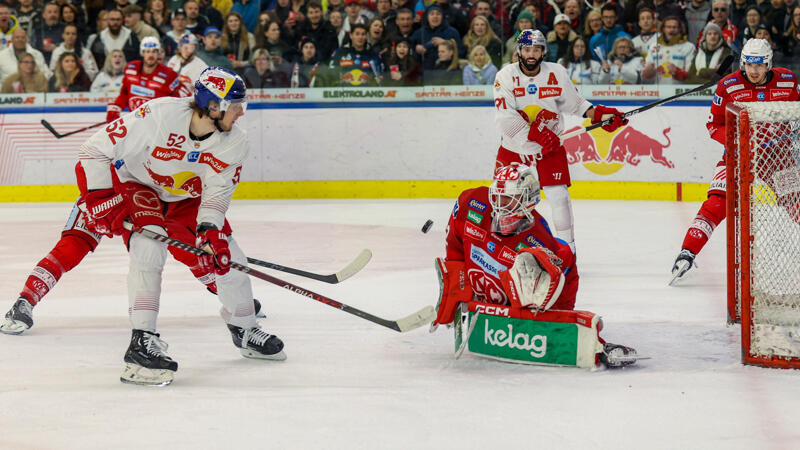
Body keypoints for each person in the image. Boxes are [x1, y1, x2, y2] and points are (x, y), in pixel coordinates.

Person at [69, 67, 284, 385]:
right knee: (149, 248)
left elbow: (217, 190)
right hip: (139, 186)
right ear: (213, 106)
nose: (240, 113)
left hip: (186, 198)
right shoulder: (157, 115)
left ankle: (245, 327)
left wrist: (210, 229)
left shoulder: (235, 143)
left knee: (231, 259)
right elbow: (94, 150)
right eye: (234, 105)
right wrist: (99, 198)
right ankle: (141, 341)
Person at [430, 163, 638, 368]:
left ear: (528, 202)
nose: (501, 205)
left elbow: (550, 296)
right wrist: (457, 279)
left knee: (544, 312)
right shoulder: (472, 202)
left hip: (551, 278)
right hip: (491, 289)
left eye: (510, 199)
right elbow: (455, 243)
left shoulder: (539, 242)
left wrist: (552, 325)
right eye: (498, 196)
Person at [670, 39, 800, 284]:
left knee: (796, 201)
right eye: (749, 64)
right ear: (742, 63)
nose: (754, 71)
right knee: (717, 203)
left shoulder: (788, 80)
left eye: (759, 65)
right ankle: (687, 251)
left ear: (769, 63)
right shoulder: (728, 86)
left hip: (778, 159)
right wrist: (738, 143)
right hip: (738, 156)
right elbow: (713, 125)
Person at [493, 29, 626, 253]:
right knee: (505, 201)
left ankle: (567, 250)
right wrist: (535, 135)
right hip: (514, 149)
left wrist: (601, 116)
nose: (531, 54)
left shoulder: (557, 72)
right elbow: (505, 116)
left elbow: (576, 105)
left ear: (543, 51)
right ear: (519, 51)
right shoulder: (505, 76)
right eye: (527, 49)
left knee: (559, 198)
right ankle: (503, 249)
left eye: (536, 49)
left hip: (550, 149)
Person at [106, 36, 189, 124]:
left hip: (159, 125)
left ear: (158, 54)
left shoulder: (169, 75)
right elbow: (125, 94)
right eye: (147, 51)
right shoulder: (131, 69)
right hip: (135, 123)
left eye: (154, 51)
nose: (151, 55)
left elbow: (182, 101)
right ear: (142, 53)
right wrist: (115, 108)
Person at [641, 16, 696, 84]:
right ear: (663, 29)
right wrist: (647, 73)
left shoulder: (689, 47)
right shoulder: (654, 46)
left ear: (680, 29)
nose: (671, 30)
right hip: (658, 91)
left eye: (674, 27)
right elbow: (646, 74)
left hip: (679, 90)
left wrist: (677, 72)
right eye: (669, 27)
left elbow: (691, 74)